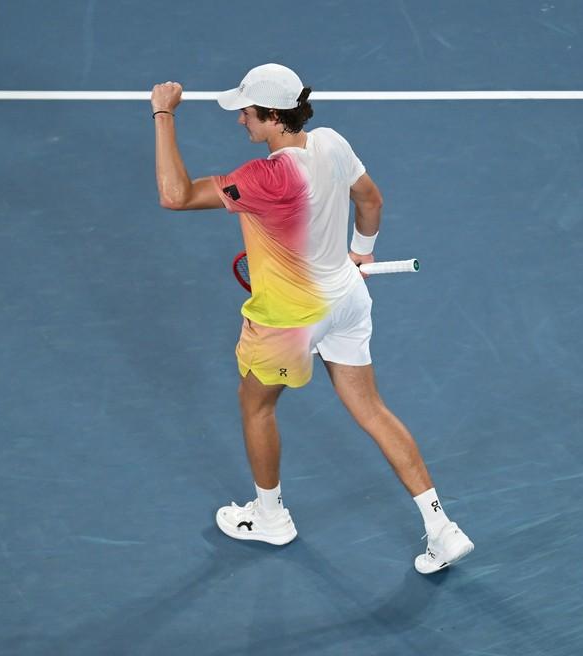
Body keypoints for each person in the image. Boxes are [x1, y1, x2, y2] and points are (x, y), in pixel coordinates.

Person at [151, 63, 473, 573]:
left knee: (256, 406)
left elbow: (176, 195)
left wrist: (164, 114)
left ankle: (270, 515)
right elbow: (370, 198)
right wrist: (361, 253)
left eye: (247, 113)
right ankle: (442, 527)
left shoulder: (264, 177)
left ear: (274, 117)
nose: (241, 121)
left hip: (290, 320)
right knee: (372, 410)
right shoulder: (331, 142)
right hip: (345, 300)